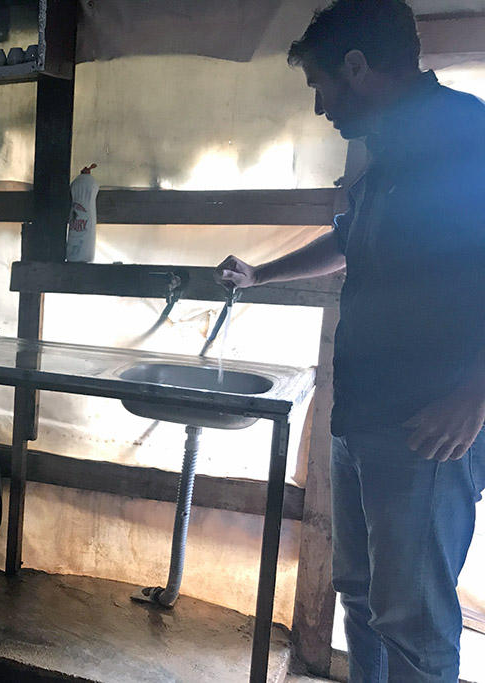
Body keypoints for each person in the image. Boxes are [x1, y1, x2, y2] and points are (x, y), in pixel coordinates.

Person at [215, 1, 485, 680]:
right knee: (362, 599)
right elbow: (349, 239)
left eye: (320, 86)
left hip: (425, 426)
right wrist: (261, 273)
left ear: (357, 68)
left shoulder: (466, 136)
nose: (319, 108)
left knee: (414, 622)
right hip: (361, 418)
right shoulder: (391, 150)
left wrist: (476, 394)